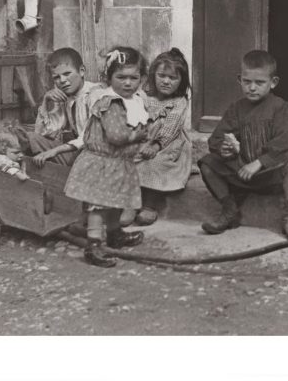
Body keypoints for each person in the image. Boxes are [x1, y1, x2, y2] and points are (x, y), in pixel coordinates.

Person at [198, 50, 288, 239]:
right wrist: (223, 149)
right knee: (208, 163)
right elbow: (216, 138)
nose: (252, 88)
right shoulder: (236, 109)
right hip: (246, 174)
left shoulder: (282, 108)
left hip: (274, 175)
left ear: (273, 82)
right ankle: (229, 209)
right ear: (239, 80)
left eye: (259, 83)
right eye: (247, 81)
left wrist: (260, 162)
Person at [64, 47, 149, 268]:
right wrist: (136, 135)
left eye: (134, 78)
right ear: (109, 78)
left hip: (117, 163)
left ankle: (115, 235)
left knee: (115, 202)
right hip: (102, 163)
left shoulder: (134, 101)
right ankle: (93, 244)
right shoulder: (111, 103)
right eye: (121, 77)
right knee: (99, 205)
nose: (128, 83)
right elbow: (116, 136)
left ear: (142, 79)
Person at [129, 48, 192, 226]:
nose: (166, 81)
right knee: (129, 159)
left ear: (181, 81)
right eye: (162, 75)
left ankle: (149, 204)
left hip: (168, 143)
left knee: (155, 163)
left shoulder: (179, 102)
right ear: (153, 76)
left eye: (172, 78)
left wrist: (156, 146)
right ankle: (130, 202)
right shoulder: (143, 97)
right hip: (144, 139)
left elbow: (171, 127)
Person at [18, 48, 101, 167]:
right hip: (78, 151)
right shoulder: (66, 97)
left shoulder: (95, 94)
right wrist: (45, 103)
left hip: (94, 154)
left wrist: (54, 151)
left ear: (82, 71)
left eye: (67, 74)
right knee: (30, 138)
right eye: (56, 77)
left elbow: (89, 137)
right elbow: (43, 133)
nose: (62, 81)